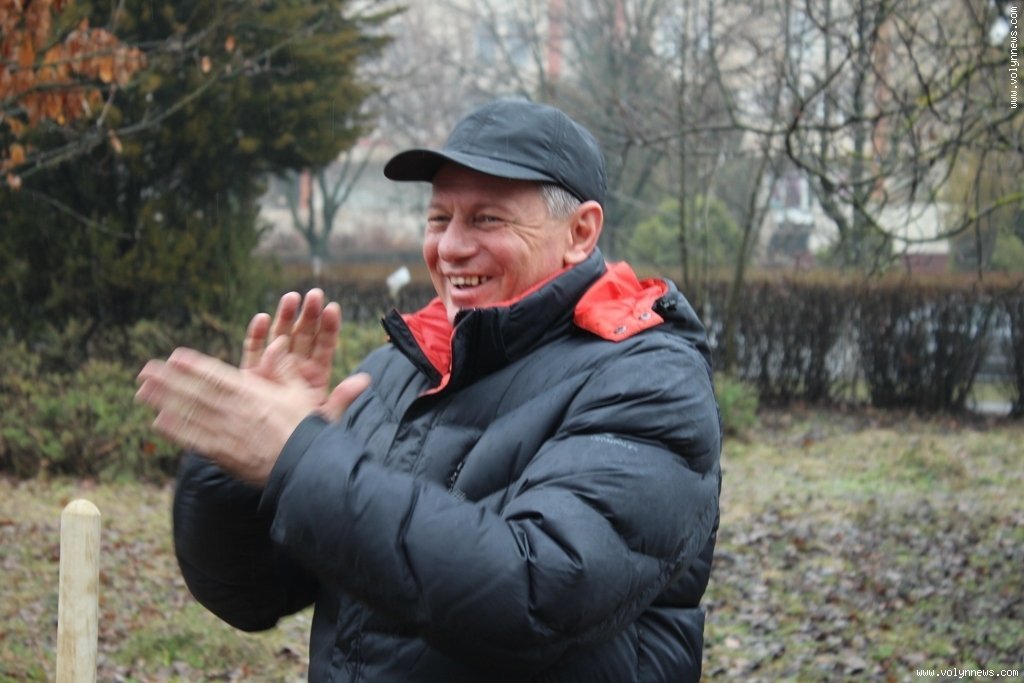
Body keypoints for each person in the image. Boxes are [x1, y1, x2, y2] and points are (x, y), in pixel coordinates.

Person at [136, 99, 722, 682]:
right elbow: (253, 594)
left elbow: (536, 595)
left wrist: (299, 457)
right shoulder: (398, 371)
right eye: (439, 219)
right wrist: (242, 467)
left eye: (487, 219)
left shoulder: (651, 380)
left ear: (580, 232)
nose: (449, 248)